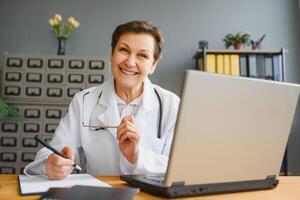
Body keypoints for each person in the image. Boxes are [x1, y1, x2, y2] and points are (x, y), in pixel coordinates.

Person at [24, 20, 180, 180]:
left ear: (153, 65)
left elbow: (181, 167)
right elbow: (53, 151)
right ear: (111, 55)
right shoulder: (84, 101)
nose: (130, 62)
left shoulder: (171, 105)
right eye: (124, 50)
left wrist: (137, 156)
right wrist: (51, 164)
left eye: (142, 55)